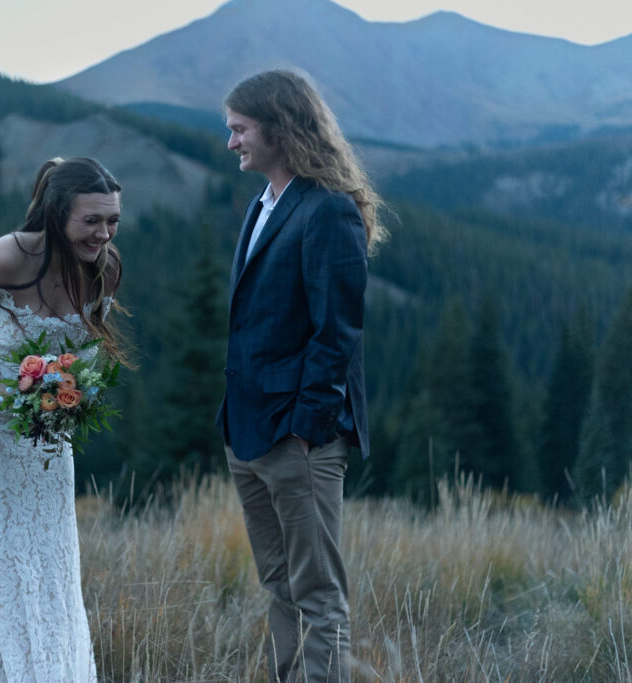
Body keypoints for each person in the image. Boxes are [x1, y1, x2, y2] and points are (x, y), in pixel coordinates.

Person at [216, 70, 387, 682]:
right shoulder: (262, 205)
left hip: (298, 439)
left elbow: (336, 333)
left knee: (317, 593)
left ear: (279, 129)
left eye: (240, 130)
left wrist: (306, 430)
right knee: (278, 585)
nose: (231, 142)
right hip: (249, 433)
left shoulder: (329, 211)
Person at [0, 157, 126, 682]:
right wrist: (12, 391)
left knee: (51, 554)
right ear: (58, 213)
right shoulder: (10, 256)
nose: (104, 233)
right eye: (92, 221)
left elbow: (87, 349)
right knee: (1, 555)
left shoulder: (106, 267)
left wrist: (68, 390)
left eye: (112, 220)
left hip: (47, 424)